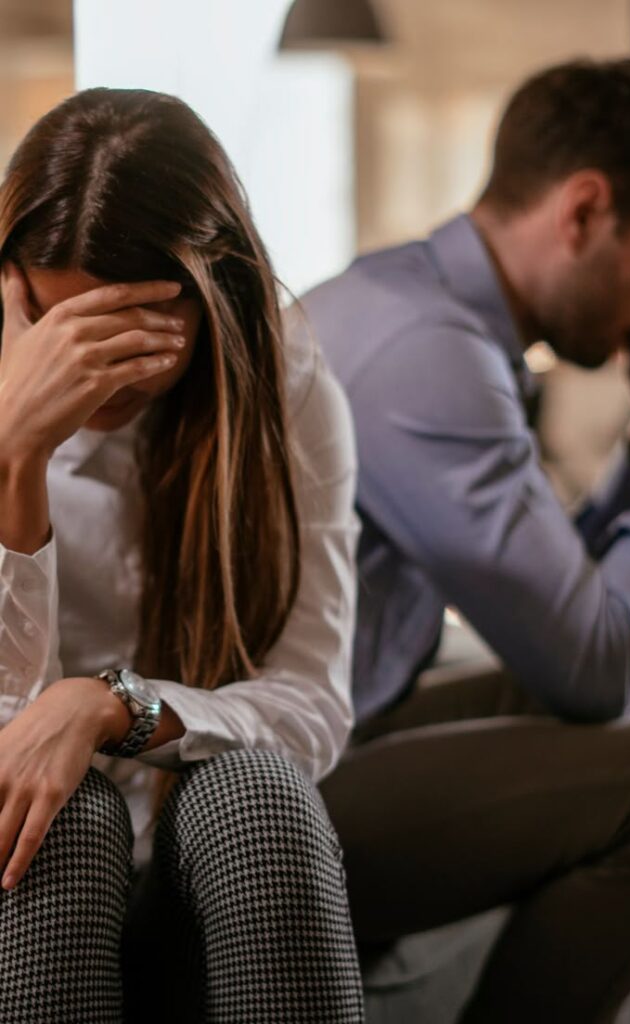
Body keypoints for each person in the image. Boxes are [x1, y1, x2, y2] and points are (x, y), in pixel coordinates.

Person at [293, 58, 630, 1022]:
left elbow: (556, 597)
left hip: (334, 721)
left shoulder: (417, 303)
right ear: (583, 211)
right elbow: (591, 663)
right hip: (265, 784)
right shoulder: (430, 354)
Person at [0, 88, 364, 1023]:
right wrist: (15, 456)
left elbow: (312, 704)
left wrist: (113, 705)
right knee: (63, 819)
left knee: (259, 794)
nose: (86, 371)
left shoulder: (283, 386)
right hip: (31, 864)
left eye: (122, 335)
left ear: (210, 303)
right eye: (53, 323)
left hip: (183, 857)